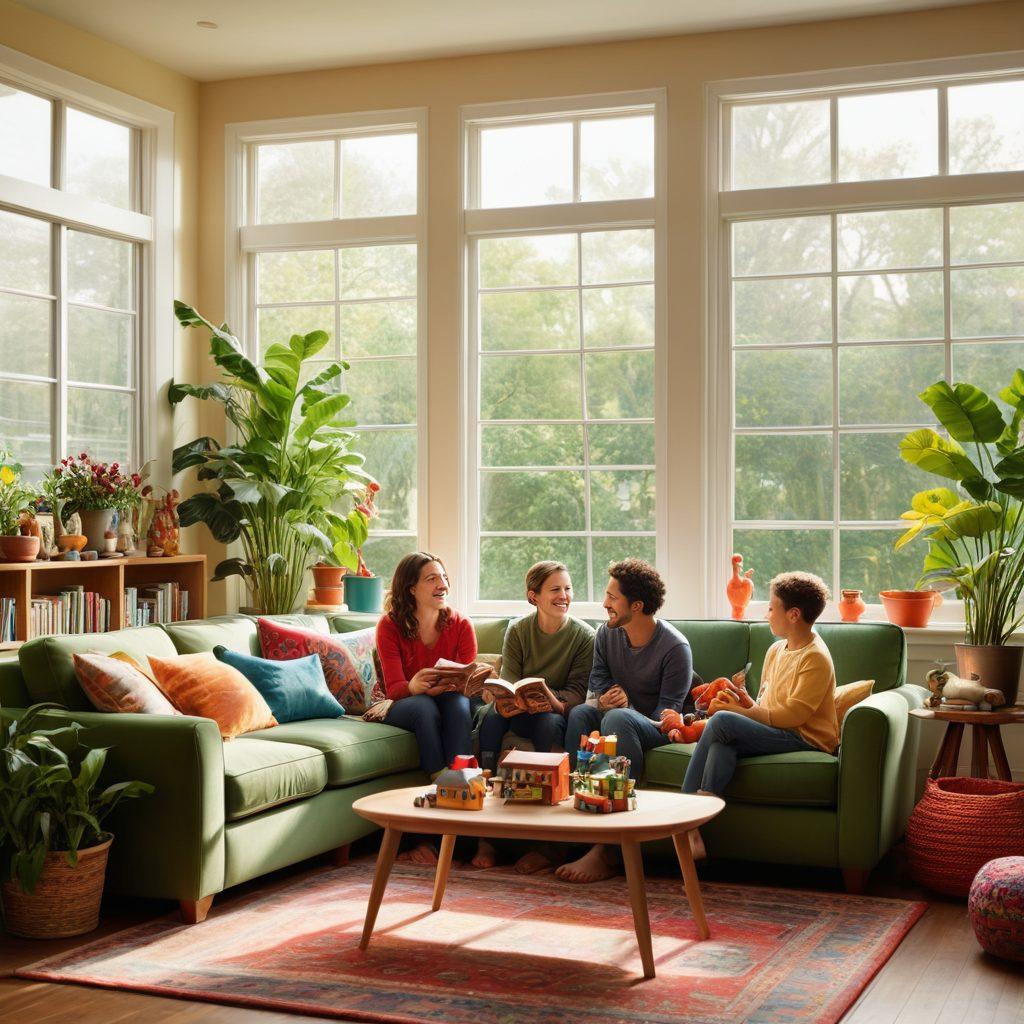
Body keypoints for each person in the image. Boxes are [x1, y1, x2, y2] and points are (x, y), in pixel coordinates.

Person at [556, 558, 693, 883]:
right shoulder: (606, 634)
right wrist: (602, 698)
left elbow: (667, 715)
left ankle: (609, 848)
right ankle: (571, 829)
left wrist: (626, 706)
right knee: (580, 714)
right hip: (617, 718)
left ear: (638, 605)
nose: (605, 604)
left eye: (612, 598)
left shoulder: (675, 647)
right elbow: (599, 680)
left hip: (658, 728)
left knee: (618, 717)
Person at [682, 572, 838, 846]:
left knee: (721, 723)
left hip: (804, 738)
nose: (767, 614)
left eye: (771, 607)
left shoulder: (815, 658)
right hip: (776, 728)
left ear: (793, 614)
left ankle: (682, 813)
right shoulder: (777, 650)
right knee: (722, 744)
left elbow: (793, 717)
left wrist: (740, 714)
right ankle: (696, 822)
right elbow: (765, 704)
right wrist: (741, 700)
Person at [474, 561, 595, 871]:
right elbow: (511, 678)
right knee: (489, 716)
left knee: (549, 723)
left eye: (567, 589)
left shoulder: (585, 636)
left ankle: (548, 843)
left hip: (553, 712)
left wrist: (548, 700)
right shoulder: (518, 629)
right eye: (555, 589)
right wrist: (511, 698)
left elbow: (578, 692)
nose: (564, 596)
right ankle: (485, 820)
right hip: (518, 709)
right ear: (534, 596)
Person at [376, 551, 477, 864]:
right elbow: (394, 687)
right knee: (424, 707)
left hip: (448, 701)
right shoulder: (390, 626)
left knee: (458, 704)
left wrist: (462, 683)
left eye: (443, 577)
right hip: (404, 705)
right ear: (411, 588)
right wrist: (414, 685)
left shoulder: (460, 624)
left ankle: (462, 781)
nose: (441, 584)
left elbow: (468, 683)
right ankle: (440, 781)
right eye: (431, 578)